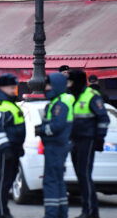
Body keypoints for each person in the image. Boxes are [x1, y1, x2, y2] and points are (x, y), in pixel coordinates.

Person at [68, 70, 110, 218]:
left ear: (77, 81)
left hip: (88, 140)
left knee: (85, 175)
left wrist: (99, 139)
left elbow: (103, 119)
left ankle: (91, 212)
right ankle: (87, 211)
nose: (68, 85)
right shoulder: (72, 97)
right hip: (75, 141)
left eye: (70, 82)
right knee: (81, 176)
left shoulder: (92, 96)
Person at [35, 73, 75, 218]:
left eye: (48, 85)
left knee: (51, 181)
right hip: (57, 146)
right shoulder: (58, 101)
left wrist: (42, 130)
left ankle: (52, 214)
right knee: (57, 181)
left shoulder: (60, 104)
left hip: (56, 146)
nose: (46, 88)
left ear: (57, 86)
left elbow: (57, 125)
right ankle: (61, 213)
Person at [0, 74, 26, 218]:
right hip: (6, 149)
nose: (14, 90)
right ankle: (2, 211)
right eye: (11, 87)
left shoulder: (8, 103)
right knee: (5, 180)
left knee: (8, 179)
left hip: (13, 148)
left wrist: (18, 147)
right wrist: (6, 148)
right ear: (3, 87)